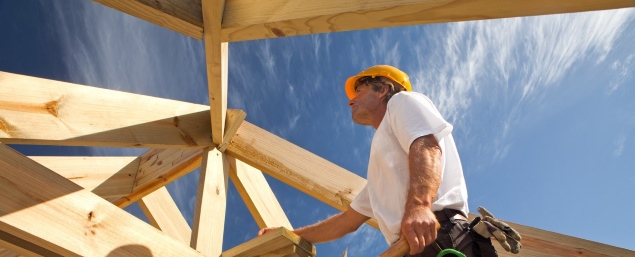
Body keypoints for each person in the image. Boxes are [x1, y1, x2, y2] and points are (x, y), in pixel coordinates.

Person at [259, 65, 499, 256]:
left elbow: (426, 145)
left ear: (383, 89)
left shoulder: (401, 102)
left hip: (439, 236)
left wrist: (419, 205)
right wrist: (288, 233)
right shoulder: (382, 171)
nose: (350, 101)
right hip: (412, 247)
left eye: (359, 92)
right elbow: (346, 222)